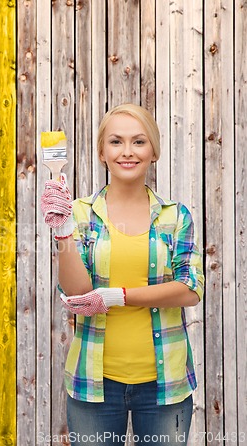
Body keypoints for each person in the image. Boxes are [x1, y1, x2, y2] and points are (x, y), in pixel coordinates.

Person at [40, 104, 204, 446]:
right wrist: (64, 231)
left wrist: (118, 297)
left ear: (153, 151)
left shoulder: (176, 216)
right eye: (116, 141)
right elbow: (77, 294)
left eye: (139, 142)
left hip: (166, 385)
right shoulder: (81, 213)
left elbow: (190, 289)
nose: (127, 152)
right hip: (93, 381)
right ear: (102, 151)